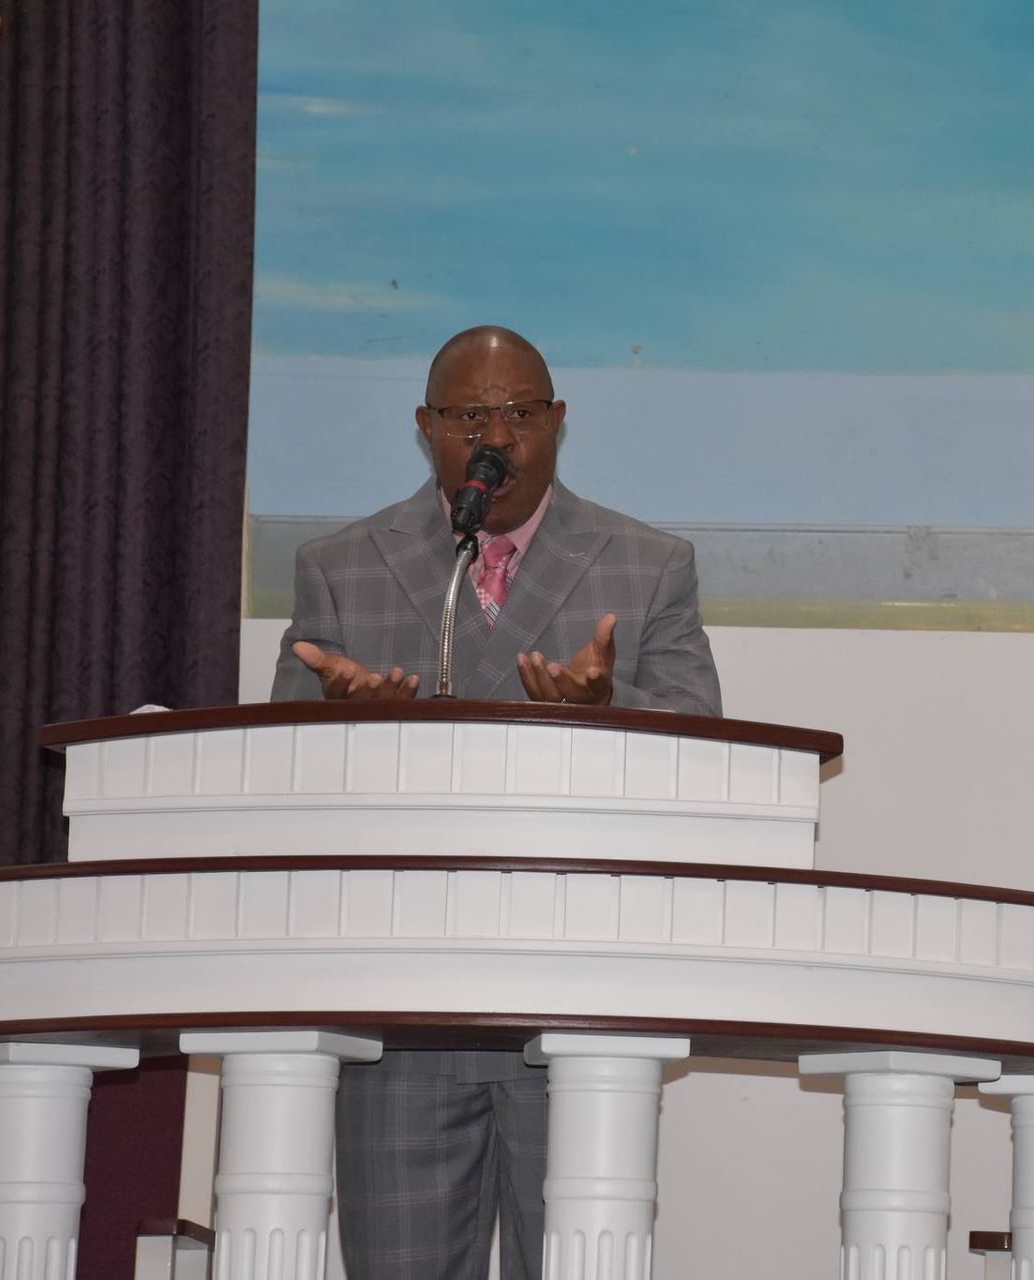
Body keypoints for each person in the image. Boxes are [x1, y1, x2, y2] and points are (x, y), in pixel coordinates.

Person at [270, 325, 721, 1280]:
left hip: (581, 1000)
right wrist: (344, 726)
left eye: (519, 412)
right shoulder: (340, 567)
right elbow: (277, 770)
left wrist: (607, 707)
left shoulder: (648, 565)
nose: (496, 435)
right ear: (426, 427)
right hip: (400, 1005)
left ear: (557, 423)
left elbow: (706, 752)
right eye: (470, 414)